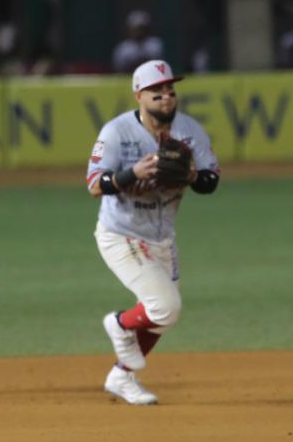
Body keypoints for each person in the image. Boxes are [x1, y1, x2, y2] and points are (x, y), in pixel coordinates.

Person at [86, 60, 221, 405]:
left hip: (161, 236)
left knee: (164, 317)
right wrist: (131, 173)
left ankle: (121, 376)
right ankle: (118, 323)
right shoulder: (117, 132)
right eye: (156, 91)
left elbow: (211, 181)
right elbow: (94, 184)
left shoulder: (190, 132)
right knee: (163, 306)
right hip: (121, 233)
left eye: (170, 91)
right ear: (138, 95)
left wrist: (192, 176)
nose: (166, 97)